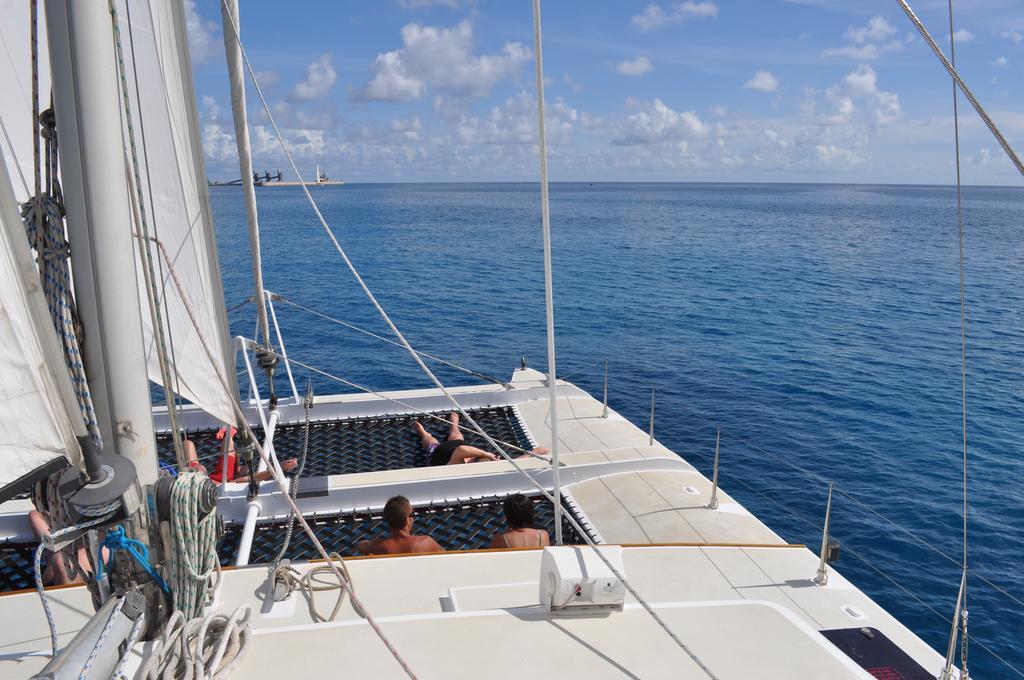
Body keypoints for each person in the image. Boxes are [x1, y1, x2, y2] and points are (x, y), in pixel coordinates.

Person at [413, 412, 549, 466]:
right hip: (458, 446)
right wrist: (534, 452)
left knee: (430, 441)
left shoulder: (458, 464)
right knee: (457, 436)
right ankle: (454, 424)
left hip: (439, 453)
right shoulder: (472, 458)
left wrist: (487, 454)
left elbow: (461, 450)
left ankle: (421, 431)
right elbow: (515, 462)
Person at [184, 427, 297, 483]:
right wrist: (280, 468)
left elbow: (254, 477)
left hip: (213, 479)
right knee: (228, 440)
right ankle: (230, 432)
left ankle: (230, 432)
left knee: (187, 443)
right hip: (222, 478)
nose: (246, 469)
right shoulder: (227, 482)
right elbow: (254, 477)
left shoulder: (200, 481)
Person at [357, 495, 444, 555]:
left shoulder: (379, 546)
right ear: (407, 520)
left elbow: (361, 546)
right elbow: (448, 555)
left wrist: (370, 544)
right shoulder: (426, 542)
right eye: (412, 515)